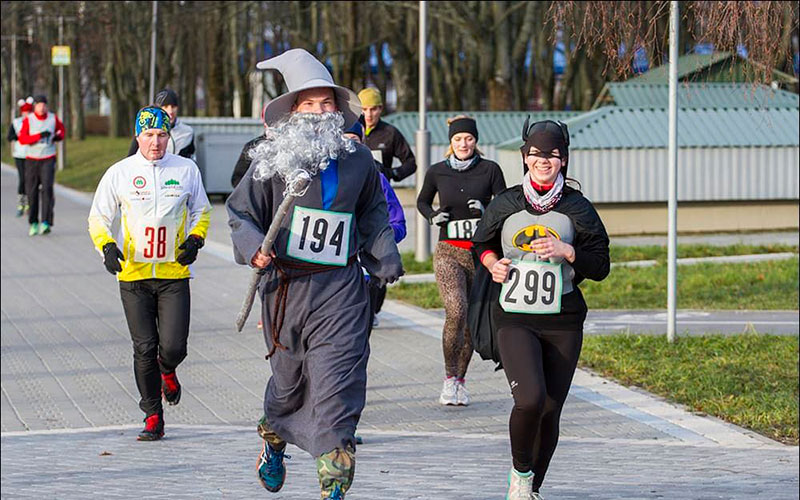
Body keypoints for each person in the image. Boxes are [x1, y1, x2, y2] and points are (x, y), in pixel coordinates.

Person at [226, 49, 402, 500]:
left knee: (337, 381)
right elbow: (240, 213)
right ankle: (274, 437)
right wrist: (253, 251)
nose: (319, 113)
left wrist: (385, 257)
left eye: (327, 104)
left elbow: (373, 214)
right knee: (287, 384)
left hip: (340, 288)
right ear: (292, 110)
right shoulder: (270, 162)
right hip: (285, 288)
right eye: (309, 104)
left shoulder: (359, 161)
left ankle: (334, 479)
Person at [471, 119, 610, 499]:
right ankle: (519, 476)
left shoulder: (577, 207)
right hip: (514, 317)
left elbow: (601, 265)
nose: (543, 160)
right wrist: (491, 264)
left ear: (563, 159)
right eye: (536, 153)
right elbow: (480, 243)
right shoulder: (507, 202)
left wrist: (569, 252)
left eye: (551, 154)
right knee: (530, 398)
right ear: (525, 157)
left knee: (550, 409)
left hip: (563, 319)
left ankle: (531, 489)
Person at [88, 106, 211, 441]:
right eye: (149, 135)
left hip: (174, 273)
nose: (155, 142)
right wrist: (107, 247)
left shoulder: (186, 169)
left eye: (161, 135)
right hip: (134, 276)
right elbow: (98, 217)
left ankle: (168, 368)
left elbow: (201, 209)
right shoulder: (120, 172)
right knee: (144, 347)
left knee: (173, 347)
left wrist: (196, 239)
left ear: (169, 136)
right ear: (137, 136)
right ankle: (152, 415)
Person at [416, 115, 506, 407]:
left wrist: (486, 209)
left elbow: (505, 205)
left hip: (481, 254)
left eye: (468, 138)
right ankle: (447, 377)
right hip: (448, 252)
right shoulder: (437, 171)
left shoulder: (490, 170)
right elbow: (422, 201)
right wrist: (432, 216)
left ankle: (460, 381)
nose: (463, 144)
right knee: (456, 309)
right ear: (450, 142)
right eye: (458, 139)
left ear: (475, 140)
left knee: (470, 320)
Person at [343, 119, 407, 330]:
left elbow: (398, 223)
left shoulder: (378, 179)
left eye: (354, 140)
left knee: (360, 332)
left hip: (367, 270)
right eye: (343, 140)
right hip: (334, 270)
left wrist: (380, 238)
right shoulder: (323, 178)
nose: (349, 146)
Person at [16, 94, 65, 236]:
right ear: (34, 107)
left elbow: (61, 131)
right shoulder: (28, 120)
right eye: (39, 105)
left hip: (48, 158)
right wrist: (39, 136)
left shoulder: (52, 118)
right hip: (32, 160)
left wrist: (58, 136)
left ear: (46, 106)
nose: (42, 107)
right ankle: (33, 222)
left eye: (44, 104)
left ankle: (45, 222)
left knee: (48, 188)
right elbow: (23, 138)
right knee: (31, 191)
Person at [357, 87, 416, 182]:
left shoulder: (390, 133)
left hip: (380, 191)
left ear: (380, 109)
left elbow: (411, 163)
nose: (368, 114)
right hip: (354, 191)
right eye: (364, 109)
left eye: (373, 109)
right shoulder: (348, 131)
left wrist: (392, 173)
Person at [128, 88, 195, 159]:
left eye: (173, 107)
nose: (170, 111)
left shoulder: (188, 132)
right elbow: (132, 158)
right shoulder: (146, 129)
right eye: (166, 107)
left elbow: (191, 157)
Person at [7, 97, 33, 216]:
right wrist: (20, 138)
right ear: (22, 112)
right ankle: (20, 203)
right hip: (19, 155)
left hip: (32, 155)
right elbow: (10, 137)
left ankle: (29, 203)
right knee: (22, 179)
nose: (27, 114)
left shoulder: (34, 121)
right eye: (25, 112)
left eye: (29, 112)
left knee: (30, 180)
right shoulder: (16, 122)